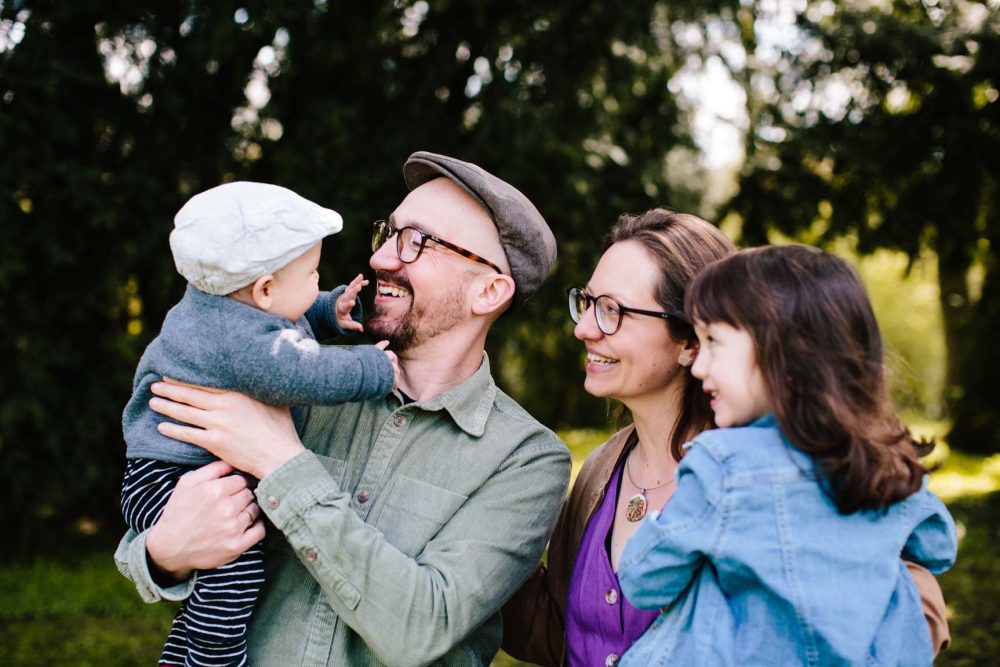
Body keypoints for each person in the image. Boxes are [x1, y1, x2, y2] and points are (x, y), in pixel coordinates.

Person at [115, 151, 572, 666]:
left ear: (488, 291)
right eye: (390, 232)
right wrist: (164, 556)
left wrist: (281, 461)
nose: (380, 260)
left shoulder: (526, 460)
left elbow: (421, 630)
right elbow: (151, 534)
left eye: (418, 242)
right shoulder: (287, 384)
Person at [500, 211, 952, 666]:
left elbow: (918, 613)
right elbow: (560, 632)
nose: (584, 328)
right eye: (588, 301)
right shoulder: (601, 469)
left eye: (612, 310)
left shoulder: (810, 465)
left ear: (690, 340)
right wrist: (478, 532)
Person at [617, 244, 957, 665]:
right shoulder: (888, 464)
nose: (699, 366)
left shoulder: (724, 466)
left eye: (714, 342)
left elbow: (643, 580)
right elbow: (938, 548)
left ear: (787, 353)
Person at [121, 181, 399, 667]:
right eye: (313, 274)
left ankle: (181, 657)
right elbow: (301, 369)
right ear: (265, 288)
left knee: (214, 580)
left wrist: (327, 310)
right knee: (235, 570)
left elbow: (278, 318)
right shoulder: (244, 343)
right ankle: (215, 660)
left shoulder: (223, 303)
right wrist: (373, 369)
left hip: (165, 471)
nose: (317, 280)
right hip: (168, 479)